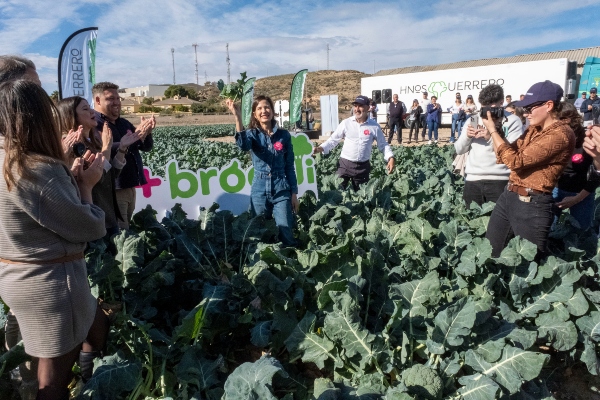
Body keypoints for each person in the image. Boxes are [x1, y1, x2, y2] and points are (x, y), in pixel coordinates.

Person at [0, 80, 109, 400]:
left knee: (93, 324)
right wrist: (87, 185)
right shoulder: (34, 167)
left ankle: (91, 375)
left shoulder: (5, 157)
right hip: (52, 284)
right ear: (38, 117)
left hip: (15, 274)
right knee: (53, 379)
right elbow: (89, 227)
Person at [484, 80, 575, 258]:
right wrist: (497, 130)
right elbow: (504, 155)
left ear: (549, 105)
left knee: (530, 265)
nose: (525, 113)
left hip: (532, 204)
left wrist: (493, 133)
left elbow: (516, 161)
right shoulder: (533, 130)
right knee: (491, 252)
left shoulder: (561, 134)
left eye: (529, 108)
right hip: (508, 196)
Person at [57, 97, 139, 245]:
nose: (92, 111)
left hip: (107, 217)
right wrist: (106, 149)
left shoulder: (93, 141)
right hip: (92, 217)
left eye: (90, 107)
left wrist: (122, 149)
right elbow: (96, 179)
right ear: (71, 116)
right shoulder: (73, 147)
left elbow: (110, 176)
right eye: (85, 109)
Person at [226, 95, 298, 247]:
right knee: (258, 233)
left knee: (286, 231)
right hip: (259, 190)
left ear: (272, 111)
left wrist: (294, 193)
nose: (264, 111)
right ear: (254, 114)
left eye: (267, 107)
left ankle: (291, 264)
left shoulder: (283, 135)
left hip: (281, 188)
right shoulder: (252, 135)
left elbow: (289, 166)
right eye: (259, 108)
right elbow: (243, 145)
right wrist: (238, 117)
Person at [93, 82, 155, 230]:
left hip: (129, 186)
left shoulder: (124, 123)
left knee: (124, 229)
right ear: (97, 100)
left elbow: (144, 147)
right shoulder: (94, 124)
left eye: (118, 98)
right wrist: (123, 144)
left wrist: (146, 133)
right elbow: (97, 151)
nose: (116, 102)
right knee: (121, 232)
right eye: (110, 98)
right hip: (113, 189)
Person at [454, 84, 523, 207]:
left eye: (490, 106)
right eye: (483, 106)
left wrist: (491, 136)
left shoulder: (513, 121)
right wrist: (467, 136)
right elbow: (459, 149)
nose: (486, 111)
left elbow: (514, 153)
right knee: (471, 222)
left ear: (501, 103)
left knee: (499, 224)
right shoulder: (474, 119)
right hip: (472, 180)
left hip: (500, 180)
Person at [313, 95, 395, 190]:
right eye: (355, 106)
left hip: (363, 167)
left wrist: (390, 157)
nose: (357, 109)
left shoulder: (374, 126)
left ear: (368, 108)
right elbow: (333, 140)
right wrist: (320, 148)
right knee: (336, 192)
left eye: (360, 106)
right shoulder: (346, 123)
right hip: (344, 165)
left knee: (361, 197)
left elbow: (383, 144)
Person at [552, 102, 598, 230]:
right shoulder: (555, 138)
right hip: (556, 190)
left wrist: (576, 199)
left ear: (566, 120)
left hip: (582, 193)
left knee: (581, 233)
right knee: (549, 231)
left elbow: (596, 176)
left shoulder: (587, 141)